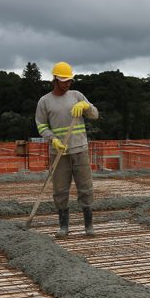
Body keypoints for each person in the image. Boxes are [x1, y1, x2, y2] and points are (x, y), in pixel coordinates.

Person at [35, 61, 99, 238]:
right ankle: (63, 226)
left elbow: (95, 114)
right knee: (60, 190)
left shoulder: (77, 96)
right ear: (55, 79)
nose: (68, 83)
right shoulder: (45, 101)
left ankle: (89, 225)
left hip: (79, 150)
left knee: (85, 188)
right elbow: (41, 125)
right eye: (64, 80)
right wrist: (53, 139)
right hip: (59, 153)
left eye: (70, 80)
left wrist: (86, 106)